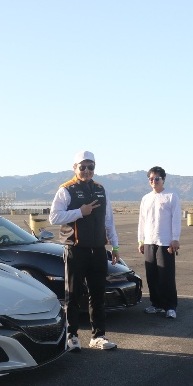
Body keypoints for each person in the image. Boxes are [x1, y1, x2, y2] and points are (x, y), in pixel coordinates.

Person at [50, 151, 119, 352]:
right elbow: (54, 217)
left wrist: (114, 246)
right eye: (83, 167)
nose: (87, 170)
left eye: (91, 167)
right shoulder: (66, 190)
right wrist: (80, 212)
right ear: (75, 168)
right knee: (73, 294)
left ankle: (98, 336)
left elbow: (109, 221)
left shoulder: (100, 189)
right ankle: (72, 335)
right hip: (75, 250)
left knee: (97, 294)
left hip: (98, 249)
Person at [138, 166, 181, 319]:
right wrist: (141, 240)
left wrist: (175, 238)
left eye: (157, 178)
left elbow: (176, 219)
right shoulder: (146, 198)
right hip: (149, 241)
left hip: (165, 242)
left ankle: (170, 306)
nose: (154, 181)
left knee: (166, 275)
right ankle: (156, 304)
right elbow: (142, 221)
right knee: (152, 275)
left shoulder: (171, 196)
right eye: (151, 179)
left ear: (163, 179)